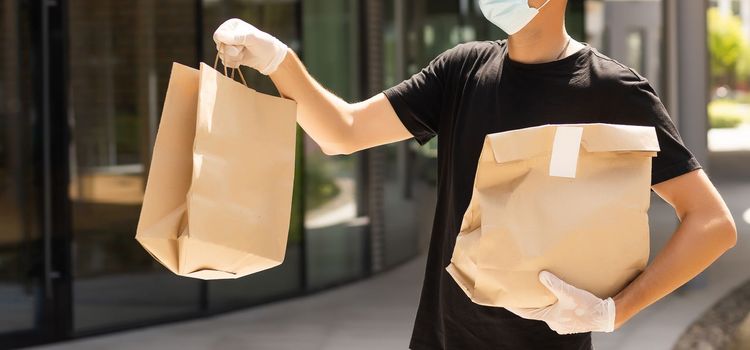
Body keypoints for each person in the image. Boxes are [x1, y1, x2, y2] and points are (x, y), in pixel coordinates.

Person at [212, 0, 738, 348]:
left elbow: (711, 223)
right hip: (441, 339)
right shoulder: (462, 71)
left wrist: (613, 312)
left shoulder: (611, 90)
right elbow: (343, 131)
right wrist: (276, 58)